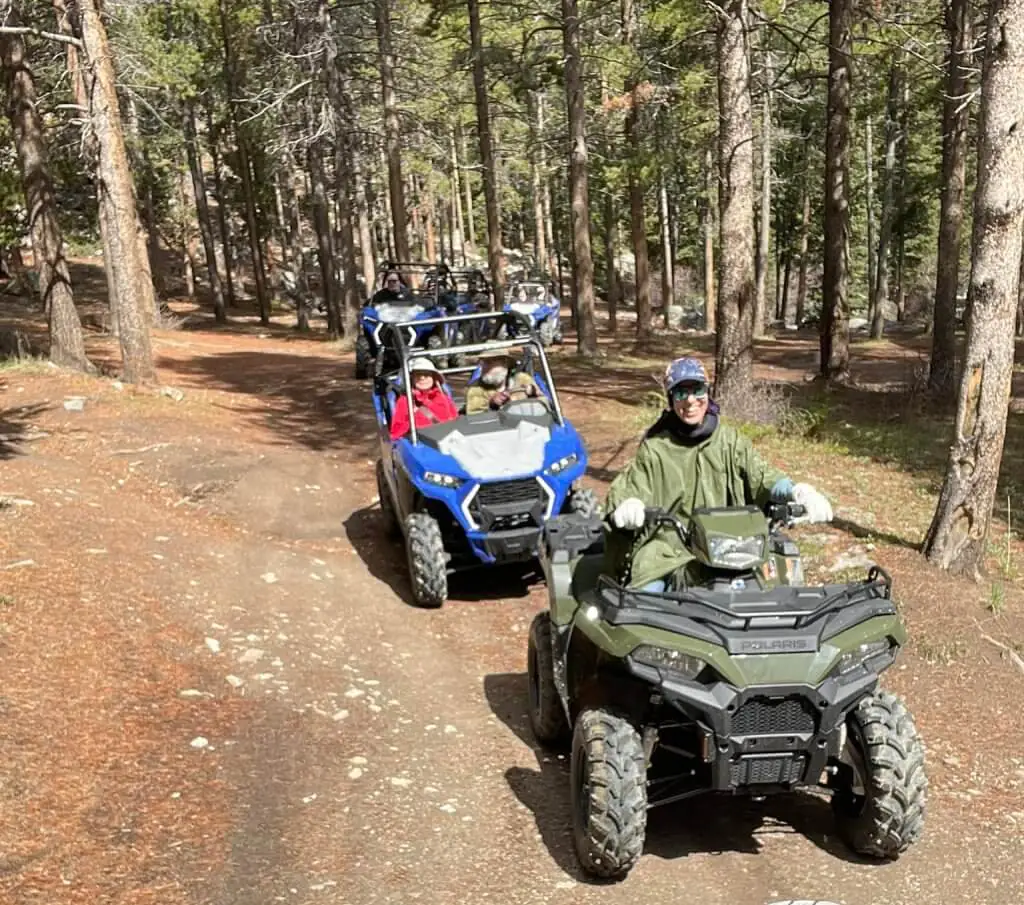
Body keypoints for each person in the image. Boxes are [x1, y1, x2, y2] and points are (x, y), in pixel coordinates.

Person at [603, 357, 834, 590]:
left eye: (697, 390)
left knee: (777, 589)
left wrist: (797, 491)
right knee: (645, 601)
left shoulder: (729, 441)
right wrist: (628, 504)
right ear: (671, 399)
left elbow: (762, 475)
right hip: (670, 548)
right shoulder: (655, 448)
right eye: (681, 393)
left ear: (708, 392)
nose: (691, 400)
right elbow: (632, 486)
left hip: (731, 544)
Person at [389, 359, 459, 440]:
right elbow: (395, 433)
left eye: (426, 374)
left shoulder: (443, 398)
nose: (422, 378)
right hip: (421, 444)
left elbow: (456, 423)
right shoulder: (405, 401)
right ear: (412, 379)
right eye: (418, 375)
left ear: (434, 378)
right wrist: (413, 423)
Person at [464, 349, 542, 414]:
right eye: (483, 362)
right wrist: (492, 404)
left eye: (490, 362)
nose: (485, 366)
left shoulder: (522, 379)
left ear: (505, 363)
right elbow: (474, 419)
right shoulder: (476, 388)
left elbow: (545, 404)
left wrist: (532, 394)